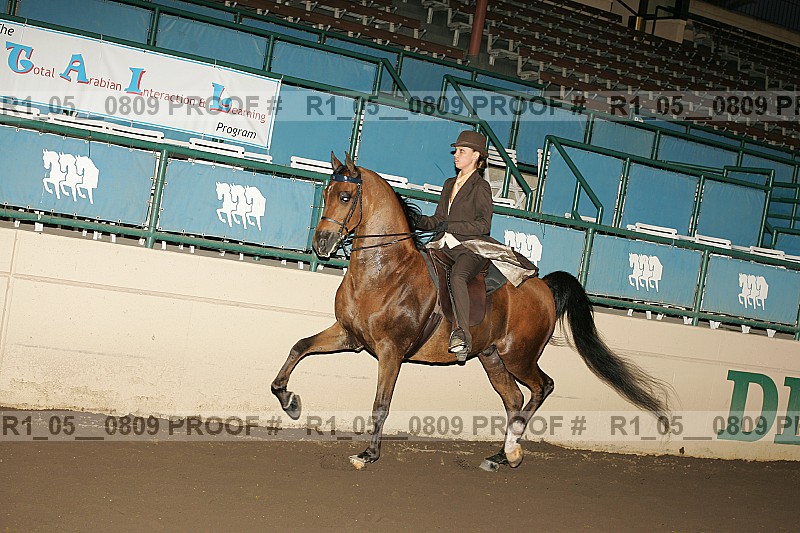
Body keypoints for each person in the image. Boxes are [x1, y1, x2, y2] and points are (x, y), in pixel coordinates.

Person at [414, 130, 494, 359]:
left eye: (461, 151)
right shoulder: (449, 184)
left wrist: (450, 225)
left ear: (476, 155)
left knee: (458, 276)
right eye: (456, 151)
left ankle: (462, 335)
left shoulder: (481, 187)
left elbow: (483, 225)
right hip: (445, 245)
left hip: (470, 248)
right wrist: (416, 219)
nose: (456, 155)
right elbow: (438, 219)